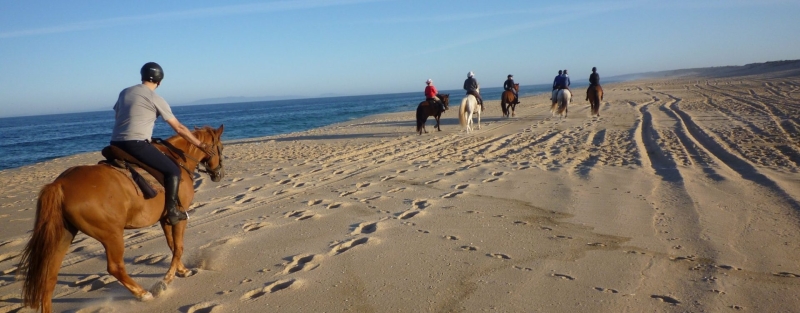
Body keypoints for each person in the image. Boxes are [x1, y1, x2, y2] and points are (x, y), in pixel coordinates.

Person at [110, 62, 214, 225]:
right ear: (160, 81)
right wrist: (199, 144)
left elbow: (120, 116)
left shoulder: (125, 92)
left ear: (142, 76)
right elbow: (179, 128)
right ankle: (172, 212)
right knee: (173, 170)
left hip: (115, 143)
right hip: (136, 144)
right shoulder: (155, 98)